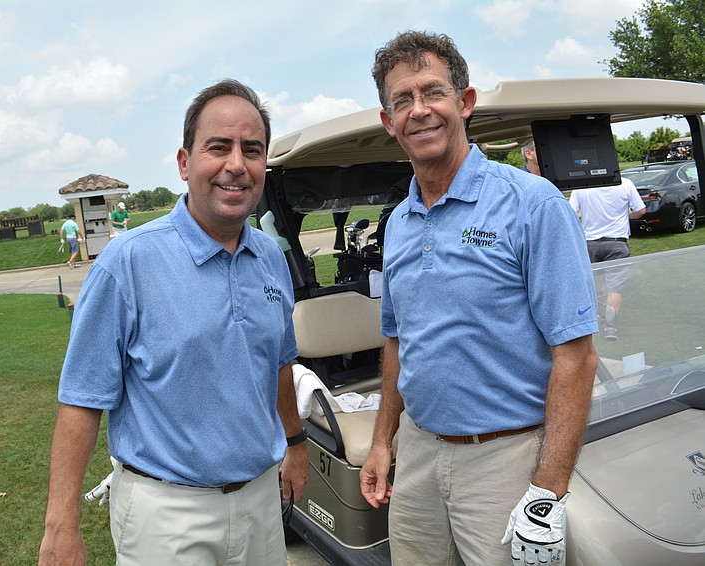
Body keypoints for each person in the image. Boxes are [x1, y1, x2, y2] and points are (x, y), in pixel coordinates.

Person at [39, 79, 308, 566]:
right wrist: (61, 527)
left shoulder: (270, 257)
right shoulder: (127, 263)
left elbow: (279, 362)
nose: (236, 165)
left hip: (260, 504)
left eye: (252, 150)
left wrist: (295, 442)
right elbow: (81, 399)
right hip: (167, 515)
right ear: (185, 163)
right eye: (218, 147)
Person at [359, 31, 599, 565]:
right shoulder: (398, 223)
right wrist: (382, 442)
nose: (419, 111)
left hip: (506, 458)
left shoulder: (532, 205)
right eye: (402, 100)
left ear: (464, 102)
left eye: (432, 93)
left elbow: (576, 357)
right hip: (418, 452)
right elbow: (400, 341)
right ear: (388, 121)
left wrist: (546, 492)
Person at [569, 177, 645, 340]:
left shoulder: (581, 185)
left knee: (595, 286)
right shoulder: (625, 183)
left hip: (590, 243)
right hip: (617, 243)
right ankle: (610, 327)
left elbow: (570, 212)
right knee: (614, 287)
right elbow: (641, 210)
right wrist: (627, 214)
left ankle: (597, 322)